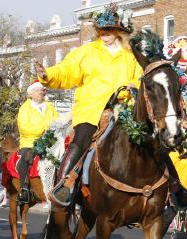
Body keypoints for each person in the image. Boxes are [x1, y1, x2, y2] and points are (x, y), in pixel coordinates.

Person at [34, 5, 143, 204]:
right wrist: (47, 74)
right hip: (91, 110)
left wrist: (132, 86)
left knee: (148, 140)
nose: (104, 34)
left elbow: (140, 78)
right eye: (101, 30)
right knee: (81, 140)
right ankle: (64, 185)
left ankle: (162, 189)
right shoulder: (86, 52)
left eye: (108, 30)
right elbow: (66, 71)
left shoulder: (130, 55)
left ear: (118, 31)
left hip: (124, 110)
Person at [16, 80, 58, 202]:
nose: (42, 91)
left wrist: (53, 131)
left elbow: (57, 121)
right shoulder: (25, 108)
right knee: (25, 158)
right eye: (38, 89)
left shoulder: (50, 107)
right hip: (31, 142)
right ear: (31, 94)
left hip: (51, 141)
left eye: (43, 90)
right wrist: (44, 130)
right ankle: (24, 189)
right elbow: (24, 128)